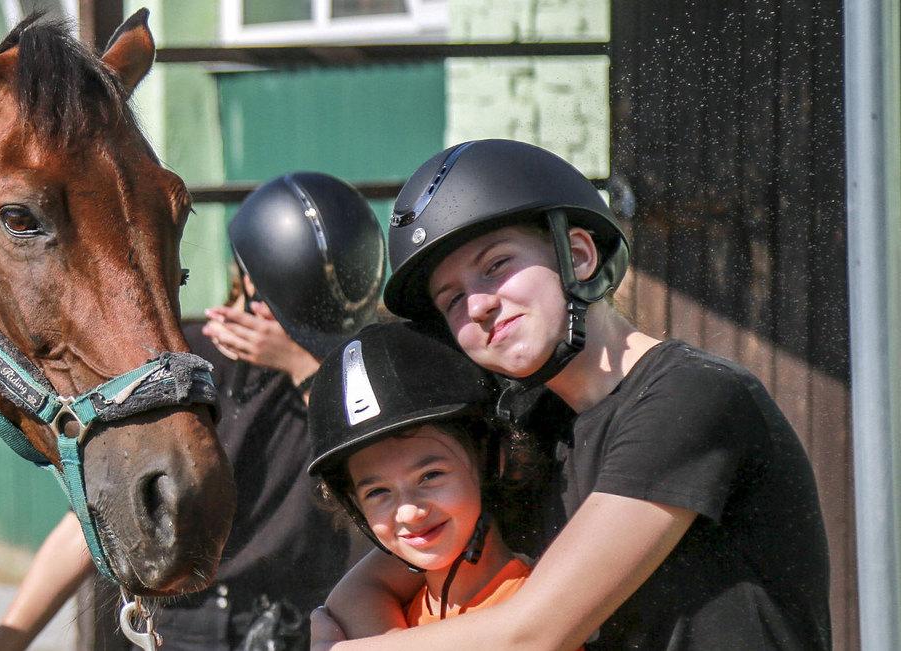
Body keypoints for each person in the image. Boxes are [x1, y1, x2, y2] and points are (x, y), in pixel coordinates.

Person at [311, 139, 830, 649]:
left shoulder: (691, 396)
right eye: (452, 300)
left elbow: (533, 633)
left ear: (578, 255)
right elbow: (363, 588)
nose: (478, 305)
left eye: (496, 265)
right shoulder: (531, 429)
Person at [0, 172, 385, 651]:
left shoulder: (351, 383)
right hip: (178, 629)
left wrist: (304, 367)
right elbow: (89, 523)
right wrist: (5, 643)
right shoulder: (184, 367)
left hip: (291, 628)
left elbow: (370, 473)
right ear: (248, 281)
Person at [305, 322, 548, 631]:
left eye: (430, 475)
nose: (409, 512)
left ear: (491, 459)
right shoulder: (381, 618)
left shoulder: (536, 610)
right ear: (355, 504)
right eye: (377, 492)